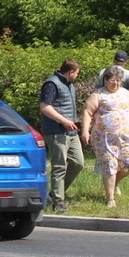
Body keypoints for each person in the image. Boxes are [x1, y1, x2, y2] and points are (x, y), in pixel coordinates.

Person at [81, 65, 129, 208]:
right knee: (109, 166)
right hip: (104, 138)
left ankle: (114, 183)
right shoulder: (98, 94)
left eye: (118, 80)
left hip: (126, 137)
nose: (115, 83)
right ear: (105, 80)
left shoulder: (125, 94)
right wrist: (85, 131)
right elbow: (87, 112)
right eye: (112, 80)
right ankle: (110, 199)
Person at [38, 58, 83, 214]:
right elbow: (45, 107)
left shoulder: (69, 84)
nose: (77, 76)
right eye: (77, 73)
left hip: (71, 131)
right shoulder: (52, 84)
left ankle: (53, 194)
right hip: (56, 131)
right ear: (70, 72)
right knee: (59, 167)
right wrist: (63, 121)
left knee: (78, 163)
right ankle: (58, 202)